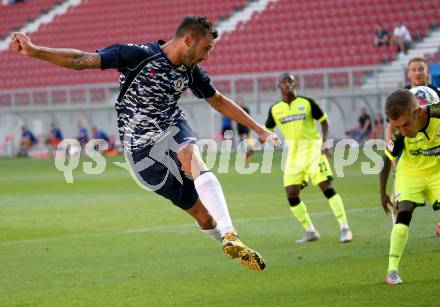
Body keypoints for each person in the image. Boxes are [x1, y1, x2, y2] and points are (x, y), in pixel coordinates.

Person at [10, 16, 280, 271]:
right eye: (205, 48)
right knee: (204, 217)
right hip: (141, 153)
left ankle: (232, 234)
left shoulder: (191, 71)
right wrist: (35, 51)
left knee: (190, 153)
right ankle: (227, 242)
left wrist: (259, 129)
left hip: (172, 128)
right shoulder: (136, 55)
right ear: (188, 39)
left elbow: (217, 99)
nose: (206, 56)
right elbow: (81, 59)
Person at [253, 73, 352, 243]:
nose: (287, 85)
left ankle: (344, 227)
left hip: (314, 150)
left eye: (290, 81)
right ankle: (310, 231)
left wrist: (325, 142)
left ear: (295, 83)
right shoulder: (275, 109)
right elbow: (266, 132)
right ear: (279, 86)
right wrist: (253, 148)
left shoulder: (307, 102)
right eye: (284, 82)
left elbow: (324, 121)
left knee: (326, 187)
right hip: (293, 154)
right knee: (291, 193)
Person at [380, 89, 440, 285]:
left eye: (406, 125)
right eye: (397, 127)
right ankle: (392, 271)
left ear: (420, 112)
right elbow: (387, 160)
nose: (403, 131)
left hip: (436, 172)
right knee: (404, 212)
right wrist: (382, 192)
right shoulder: (400, 135)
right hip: (410, 172)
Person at [386, 57, 440, 235]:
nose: (417, 73)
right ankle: (398, 230)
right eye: (414, 70)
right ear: (408, 73)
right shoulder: (401, 97)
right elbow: (391, 127)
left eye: (421, 69)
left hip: (432, 152)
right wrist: (392, 154)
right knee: (398, 200)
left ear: (427, 72)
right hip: (409, 155)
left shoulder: (435, 93)